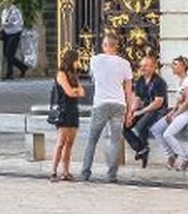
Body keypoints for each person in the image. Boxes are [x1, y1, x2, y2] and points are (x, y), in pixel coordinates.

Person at [80, 33, 134, 183]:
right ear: (116, 46)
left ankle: (85, 172)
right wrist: (130, 111)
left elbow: (93, 78)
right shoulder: (125, 64)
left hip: (101, 103)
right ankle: (111, 174)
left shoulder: (95, 60)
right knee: (115, 140)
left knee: (92, 140)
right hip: (119, 104)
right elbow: (128, 90)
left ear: (105, 45)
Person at [151, 56, 188, 171]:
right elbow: (178, 102)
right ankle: (171, 155)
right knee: (156, 129)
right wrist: (171, 113)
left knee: (167, 134)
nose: (172, 67)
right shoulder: (180, 82)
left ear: (183, 67)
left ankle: (184, 158)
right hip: (180, 112)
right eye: (172, 64)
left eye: (175, 64)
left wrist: (175, 115)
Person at [122, 55, 168, 168]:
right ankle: (141, 148)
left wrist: (141, 112)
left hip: (158, 110)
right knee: (123, 125)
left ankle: (143, 149)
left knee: (140, 126)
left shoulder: (159, 82)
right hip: (144, 109)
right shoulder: (140, 81)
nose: (142, 68)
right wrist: (131, 113)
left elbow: (158, 102)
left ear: (153, 67)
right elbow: (138, 99)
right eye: (141, 65)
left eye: (146, 66)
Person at [48, 47, 85, 182]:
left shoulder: (74, 75)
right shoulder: (61, 74)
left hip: (73, 109)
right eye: (77, 60)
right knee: (61, 142)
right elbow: (69, 92)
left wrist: (76, 91)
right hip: (64, 110)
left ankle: (66, 171)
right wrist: (76, 91)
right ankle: (53, 171)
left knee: (70, 143)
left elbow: (82, 92)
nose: (79, 63)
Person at [0, 0, 29, 79]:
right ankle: (22, 67)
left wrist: (9, 23)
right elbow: (3, 21)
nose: (5, 5)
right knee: (6, 54)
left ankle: (10, 73)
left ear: (10, 3)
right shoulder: (4, 11)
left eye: (6, 3)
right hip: (6, 33)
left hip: (14, 33)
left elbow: (18, 22)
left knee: (10, 53)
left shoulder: (15, 11)